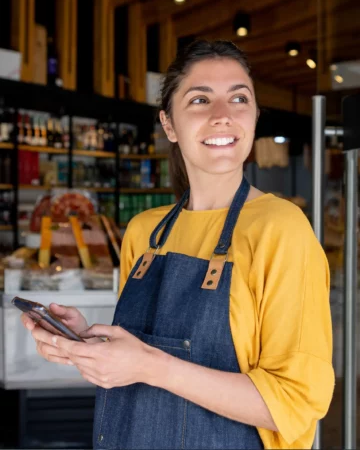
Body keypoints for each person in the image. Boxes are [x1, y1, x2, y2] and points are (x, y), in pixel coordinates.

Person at [22, 40, 334, 450]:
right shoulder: (145, 234)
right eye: (200, 99)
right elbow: (134, 364)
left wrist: (150, 366)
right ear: (169, 124)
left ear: (254, 116)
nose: (222, 116)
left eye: (239, 98)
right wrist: (85, 345)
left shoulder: (281, 229)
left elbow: (295, 402)